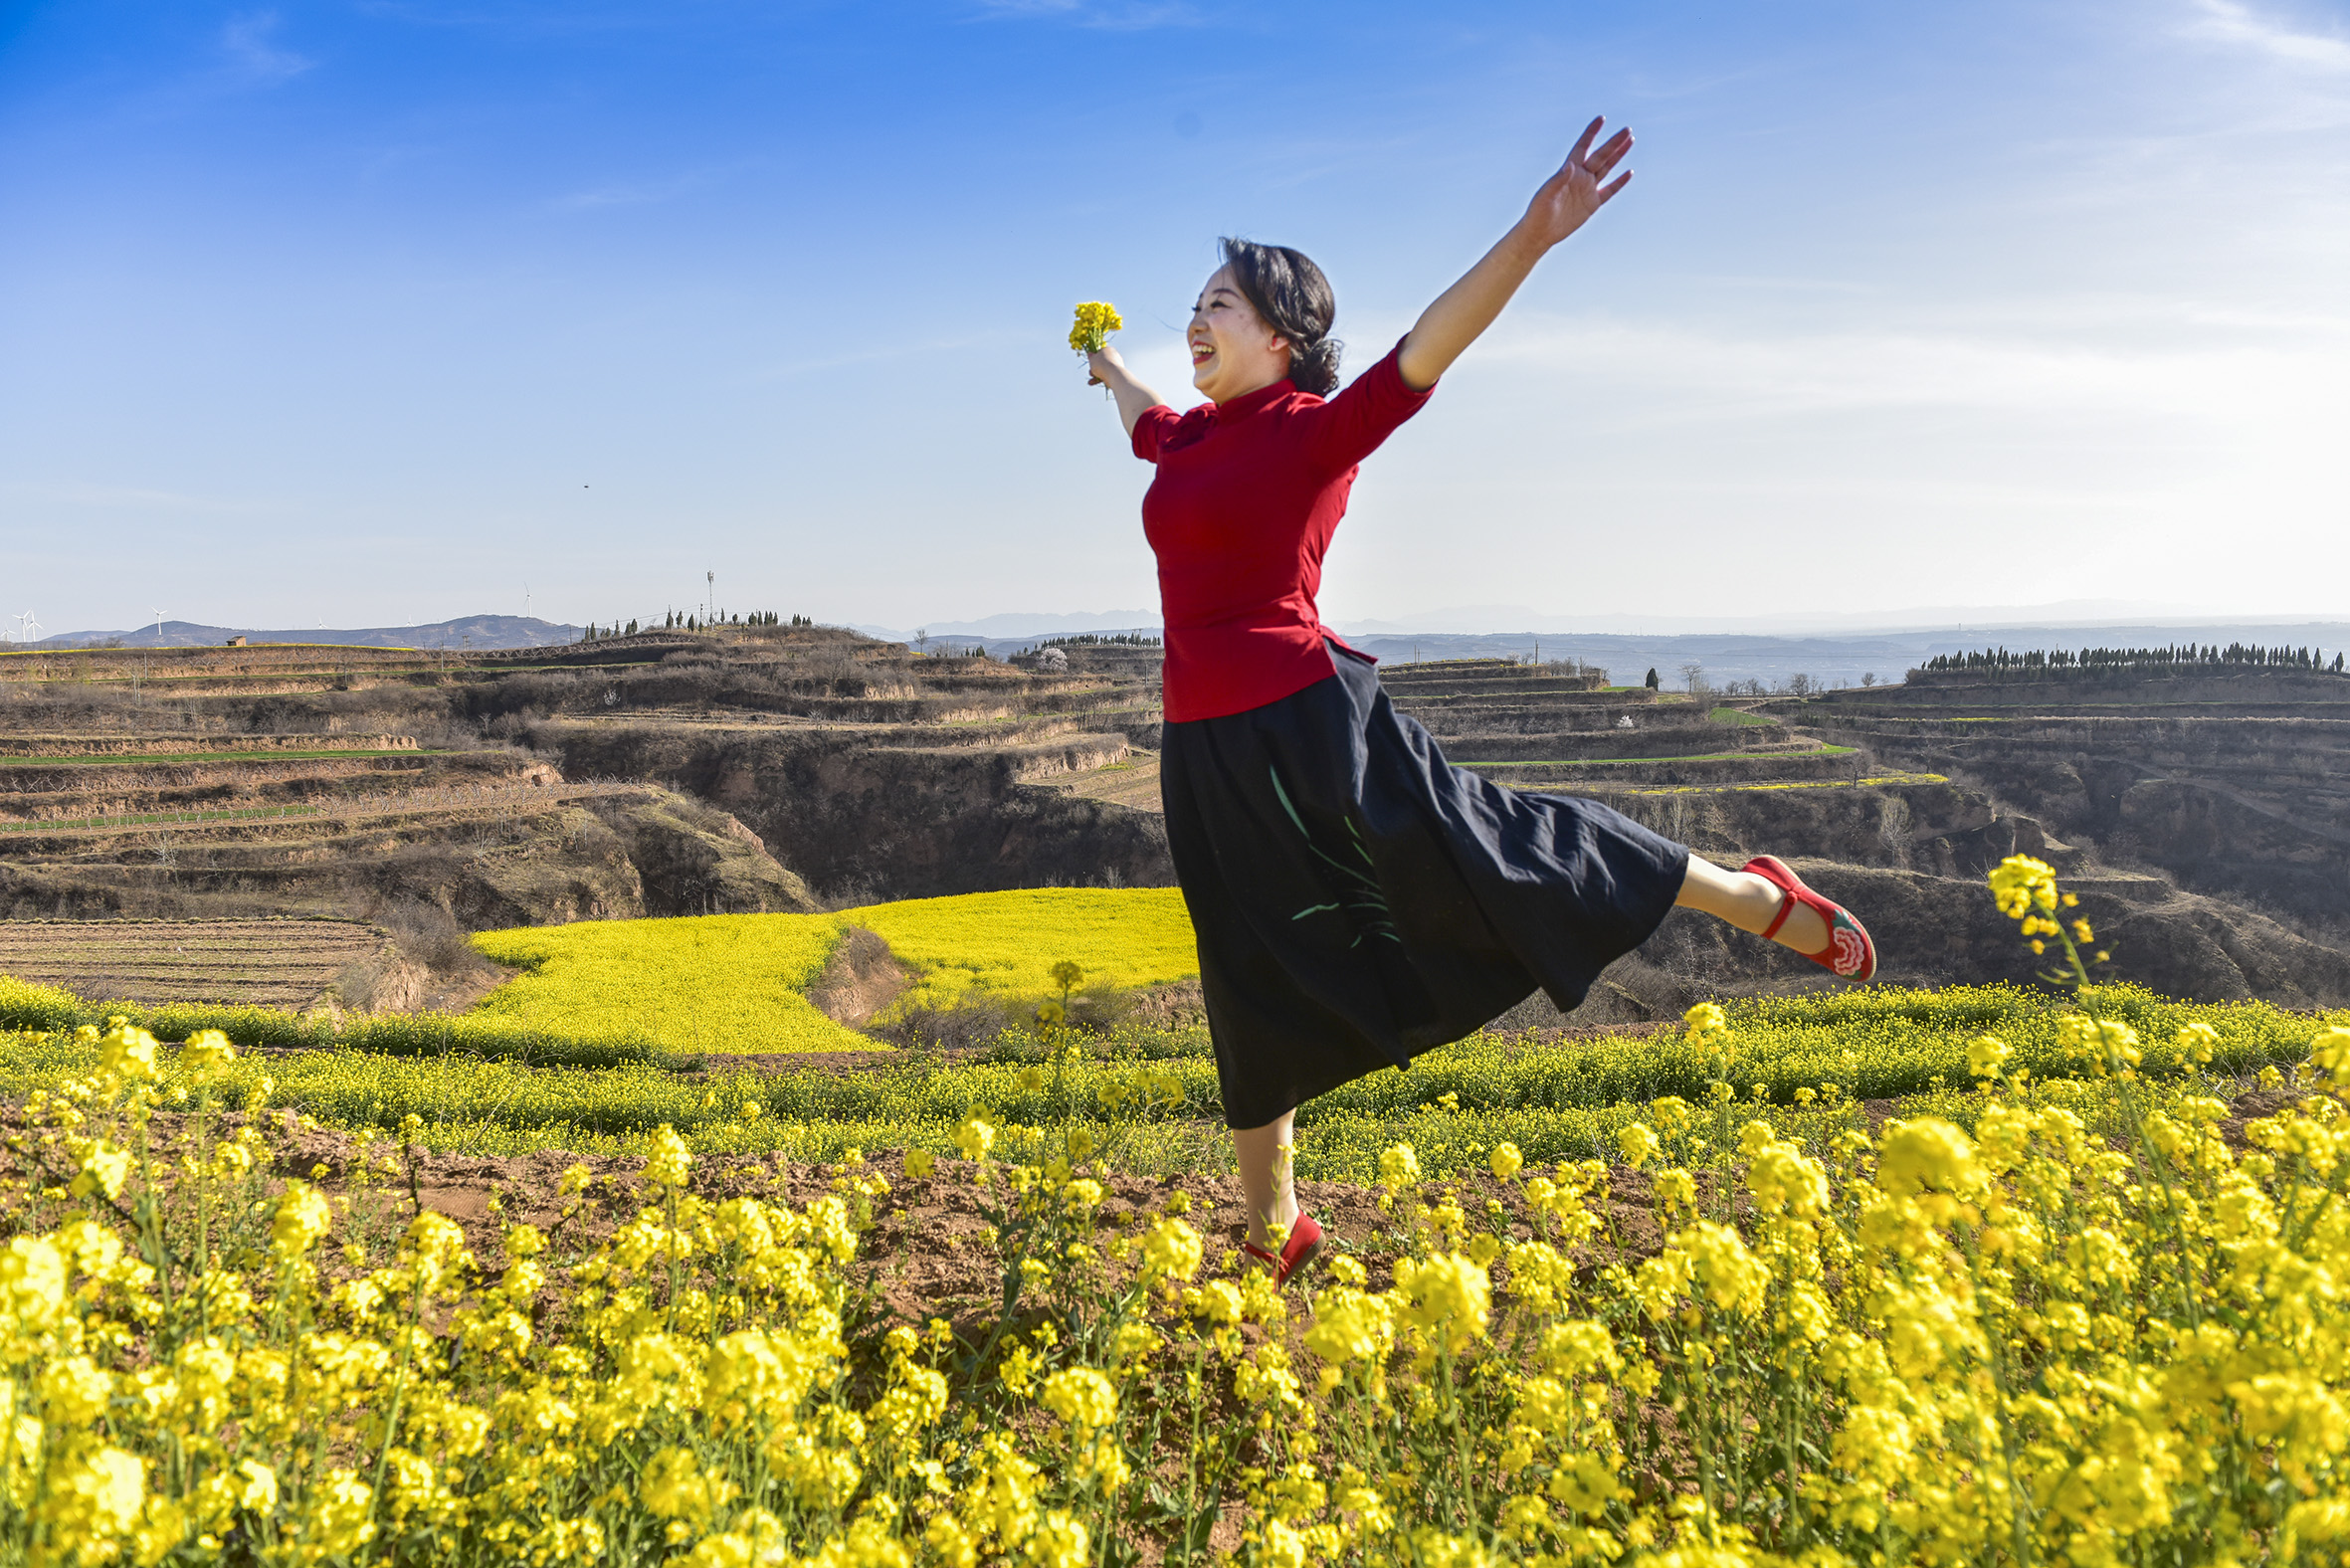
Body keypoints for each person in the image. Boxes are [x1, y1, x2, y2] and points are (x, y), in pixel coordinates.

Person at [1082, 117, 1876, 1288]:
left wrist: (1533, 234)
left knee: (1494, 853)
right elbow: (1139, 413)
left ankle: (1751, 894)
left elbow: (1424, 349)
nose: (1196, 322)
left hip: (1311, 725)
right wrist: (1099, 356)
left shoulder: (1314, 433)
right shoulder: (1184, 437)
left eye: (1223, 305)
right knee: (1242, 965)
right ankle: (1274, 1224)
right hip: (1201, 746)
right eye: (1193, 303)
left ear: (1286, 336)